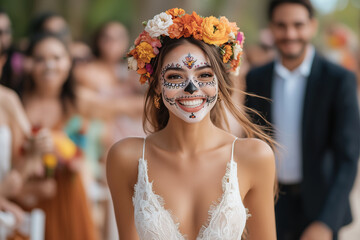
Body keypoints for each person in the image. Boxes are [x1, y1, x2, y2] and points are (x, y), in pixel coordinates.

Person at [107, 8, 276, 240]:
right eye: (175, 76)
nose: (191, 88)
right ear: (156, 84)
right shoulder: (125, 157)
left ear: (219, 82)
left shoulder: (254, 156)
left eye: (205, 75)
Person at [245, 1, 360, 239]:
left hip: (321, 206)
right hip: (271, 203)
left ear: (313, 26)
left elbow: (347, 158)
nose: (290, 34)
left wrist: (327, 223)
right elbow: (251, 140)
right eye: (281, 25)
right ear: (271, 28)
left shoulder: (339, 80)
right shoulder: (256, 79)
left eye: (298, 25)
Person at [18, 32, 99, 240]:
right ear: (28, 64)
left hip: (69, 194)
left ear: (69, 62)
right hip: (28, 194)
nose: (49, 65)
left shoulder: (80, 100)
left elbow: (125, 106)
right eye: (40, 59)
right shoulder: (16, 103)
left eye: (57, 58)